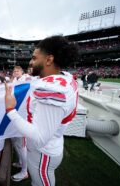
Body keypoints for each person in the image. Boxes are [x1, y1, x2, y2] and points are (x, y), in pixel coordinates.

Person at [5, 36, 78, 186]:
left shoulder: (51, 88)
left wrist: (10, 109)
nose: (31, 62)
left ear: (49, 60)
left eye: (34, 58)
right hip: (52, 144)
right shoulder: (66, 78)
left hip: (43, 152)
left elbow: (39, 137)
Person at [10, 66, 29, 181]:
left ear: (22, 72)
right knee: (16, 143)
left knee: (22, 146)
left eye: (17, 71)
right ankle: (21, 163)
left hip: (22, 117)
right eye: (14, 71)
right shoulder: (15, 80)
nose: (15, 72)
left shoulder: (26, 79)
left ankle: (24, 171)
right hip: (16, 115)